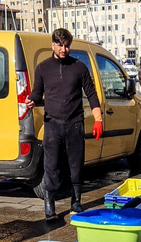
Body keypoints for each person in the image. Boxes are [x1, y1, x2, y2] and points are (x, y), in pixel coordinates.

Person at [25, 28, 103, 221]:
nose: (64, 49)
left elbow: (91, 94)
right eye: (60, 45)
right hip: (52, 124)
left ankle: (76, 202)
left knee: (75, 165)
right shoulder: (43, 68)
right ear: (52, 45)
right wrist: (31, 100)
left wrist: (98, 119)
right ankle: (49, 207)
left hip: (75, 123)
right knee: (51, 166)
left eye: (67, 45)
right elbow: (37, 92)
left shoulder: (79, 67)